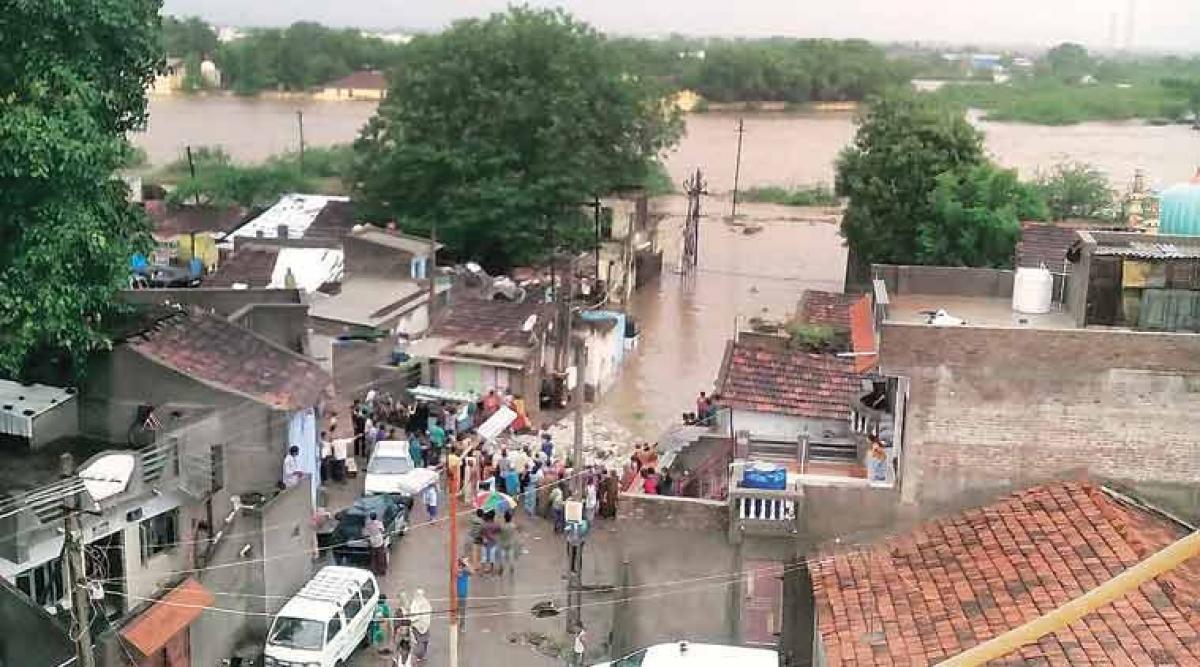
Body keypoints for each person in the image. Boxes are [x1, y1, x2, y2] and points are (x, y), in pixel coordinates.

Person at [408, 588, 432, 662]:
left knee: (425, 641)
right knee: (420, 641)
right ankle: (419, 655)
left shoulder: (425, 602)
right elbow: (413, 615)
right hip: (417, 626)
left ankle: (422, 655)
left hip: (425, 625)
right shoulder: (414, 604)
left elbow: (429, 611)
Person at [365, 511, 387, 575]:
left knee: (374, 558)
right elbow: (382, 530)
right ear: (376, 517)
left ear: (370, 517)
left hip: (372, 542)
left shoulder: (368, 524)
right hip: (379, 542)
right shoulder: (379, 523)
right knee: (381, 557)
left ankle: (374, 571)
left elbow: (366, 533)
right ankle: (382, 571)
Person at [497, 511, 519, 575]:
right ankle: (511, 567)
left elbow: (498, 533)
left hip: (502, 543)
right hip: (510, 543)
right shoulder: (513, 526)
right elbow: (517, 530)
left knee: (502, 556)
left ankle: (501, 568)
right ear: (511, 518)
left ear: (504, 518)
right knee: (511, 556)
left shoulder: (502, 526)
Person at [455, 558, 472, 623]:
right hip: (456, 593)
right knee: (456, 608)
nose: (460, 566)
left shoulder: (465, 571)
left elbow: (472, 572)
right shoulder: (455, 570)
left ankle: (462, 623)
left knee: (462, 609)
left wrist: (467, 565)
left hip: (462, 593)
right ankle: (456, 621)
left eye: (461, 565)